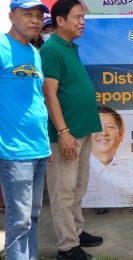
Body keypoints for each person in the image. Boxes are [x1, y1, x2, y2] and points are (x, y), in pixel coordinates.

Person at [40, 0, 103, 259]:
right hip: (65, 133)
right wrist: (63, 132)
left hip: (82, 129)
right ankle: (67, 247)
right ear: (60, 21)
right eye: (77, 17)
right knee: (63, 190)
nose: (82, 22)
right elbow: (49, 95)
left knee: (78, 186)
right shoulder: (51, 49)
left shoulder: (69, 47)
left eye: (82, 17)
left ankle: (75, 231)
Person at [0, 0, 51, 259]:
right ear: (11, 16)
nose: (35, 20)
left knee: (33, 216)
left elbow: (36, 101)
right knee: (18, 221)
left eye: (39, 15)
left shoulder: (34, 52)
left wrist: (45, 143)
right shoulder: (1, 48)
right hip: (14, 151)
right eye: (27, 14)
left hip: (39, 148)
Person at [84, 106, 133, 212]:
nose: (103, 133)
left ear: (120, 134)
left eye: (110, 127)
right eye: (97, 127)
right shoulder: (79, 169)